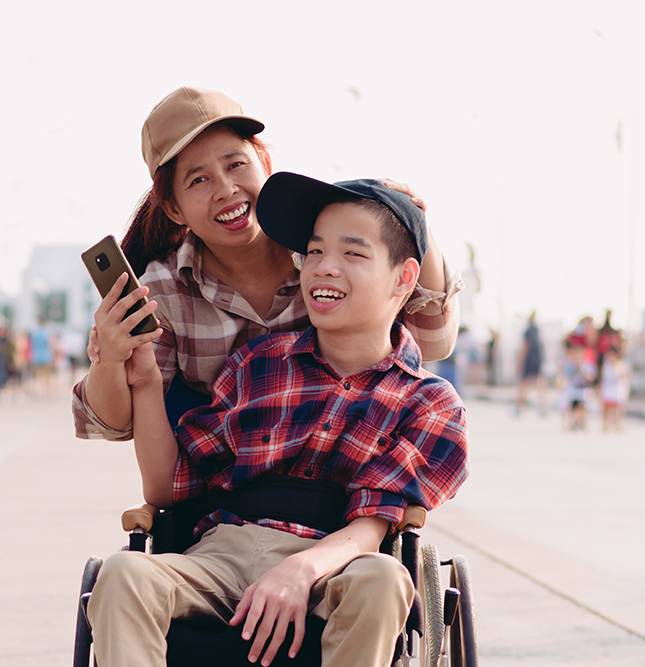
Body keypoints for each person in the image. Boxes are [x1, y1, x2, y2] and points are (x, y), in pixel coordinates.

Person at [86, 172, 469, 667]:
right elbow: (168, 488)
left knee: (385, 579)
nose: (324, 267)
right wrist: (145, 382)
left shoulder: (429, 403)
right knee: (123, 574)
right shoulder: (257, 363)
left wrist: (300, 570)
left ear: (403, 278)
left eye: (352, 254)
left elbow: (371, 529)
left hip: (337, 562)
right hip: (221, 554)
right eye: (314, 251)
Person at [72, 87, 462, 441]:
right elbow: (120, 425)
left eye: (236, 164)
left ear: (264, 162)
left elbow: (434, 343)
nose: (226, 190)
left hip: (346, 464)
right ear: (174, 209)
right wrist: (110, 359)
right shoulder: (162, 291)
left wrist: (417, 224)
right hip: (229, 480)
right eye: (198, 180)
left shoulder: (324, 248)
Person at [515, 311, 547, 416]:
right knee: (539, 384)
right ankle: (543, 406)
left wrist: (520, 361)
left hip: (529, 360)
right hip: (537, 359)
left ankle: (519, 408)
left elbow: (525, 346)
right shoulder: (537, 330)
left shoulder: (528, 331)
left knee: (523, 384)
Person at [562, 343, 596, 431]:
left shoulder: (587, 365)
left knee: (583, 407)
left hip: (583, 390)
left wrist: (583, 372)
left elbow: (592, 377)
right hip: (573, 390)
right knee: (572, 406)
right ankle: (572, 423)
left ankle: (582, 422)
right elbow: (567, 377)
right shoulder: (570, 365)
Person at [600, 346, 630, 432]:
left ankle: (618, 424)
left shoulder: (621, 365)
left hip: (617, 389)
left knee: (618, 408)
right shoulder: (606, 365)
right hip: (607, 389)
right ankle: (605, 425)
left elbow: (627, 376)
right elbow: (602, 378)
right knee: (606, 407)